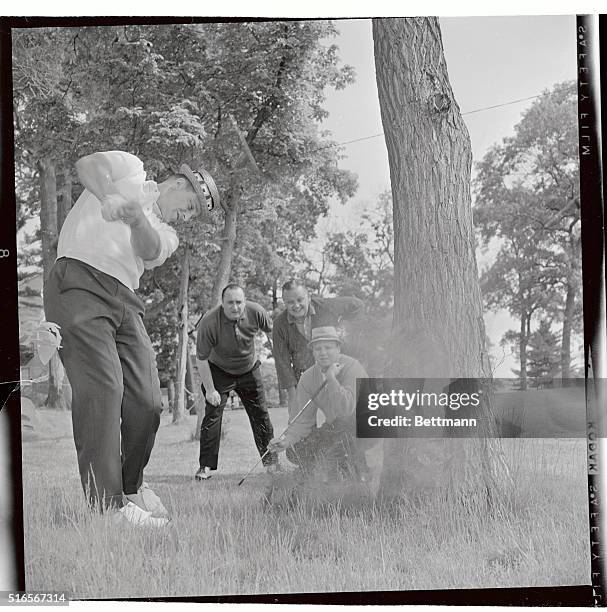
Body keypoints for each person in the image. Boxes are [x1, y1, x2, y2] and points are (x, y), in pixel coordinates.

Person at [43, 150, 220, 527]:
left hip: (125, 299)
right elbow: (88, 166)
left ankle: (130, 487)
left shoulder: (167, 234)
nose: (185, 218)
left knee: (147, 398)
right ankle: (107, 508)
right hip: (77, 280)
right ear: (176, 183)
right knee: (103, 388)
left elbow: (150, 249)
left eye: (191, 216)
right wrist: (111, 196)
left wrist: (138, 217)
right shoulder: (131, 169)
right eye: (188, 206)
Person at [195, 284, 279, 480]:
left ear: (245, 302)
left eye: (239, 302)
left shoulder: (256, 311)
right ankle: (205, 467)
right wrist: (210, 389)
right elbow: (201, 358)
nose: (235, 307)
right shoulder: (209, 322)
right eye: (230, 302)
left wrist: (276, 352)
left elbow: (273, 330)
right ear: (222, 304)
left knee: (261, 415)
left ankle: (271, 463)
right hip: (219, 370)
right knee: (212, 416)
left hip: (249, 369)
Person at [267, 326, 369, 480]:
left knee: (338, 442)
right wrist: (285, 441)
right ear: (313, 352)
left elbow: (346, 408)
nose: (323, 353)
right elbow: (302, 420)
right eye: (318, 348)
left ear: (338, 348)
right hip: (336, 427)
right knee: (297, 450)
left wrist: (331, 378)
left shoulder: (352, 367)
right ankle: (319, 476)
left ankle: (355, 474)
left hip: (365, 426)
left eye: (328, 347)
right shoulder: (308, 377)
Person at [272, 280, 364, 413]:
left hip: (336, 370)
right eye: (290, 302)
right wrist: (292, 396)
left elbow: (357, 305)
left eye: (300, 299)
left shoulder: (326, 306)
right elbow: (282, 361)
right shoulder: (279, 324)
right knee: (304, 420)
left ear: (308, 297)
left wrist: (343, 329)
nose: (296, 305)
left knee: (344, 412)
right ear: (284, 302)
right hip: (306, 375)